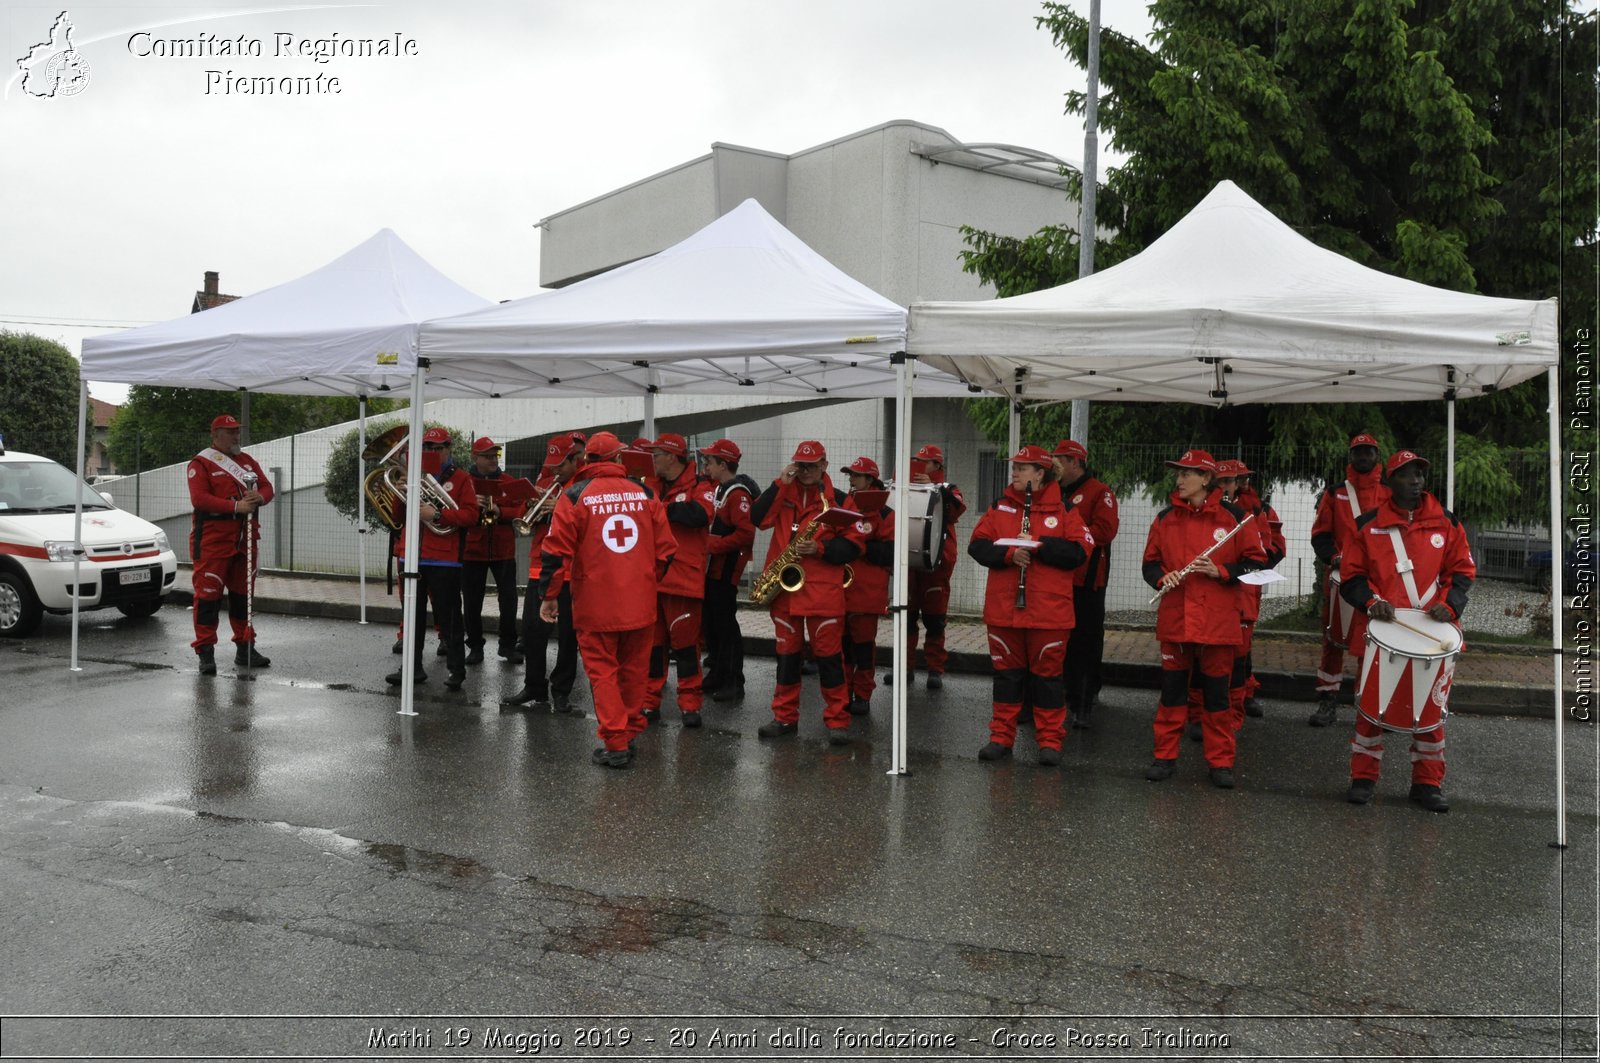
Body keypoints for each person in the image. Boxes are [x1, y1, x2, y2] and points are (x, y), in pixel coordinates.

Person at [1339, 450, 1474, 812]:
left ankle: (1427, 783)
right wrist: (1369, 602)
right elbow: (1350, 578)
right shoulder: (1368, 525)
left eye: (1419, 474)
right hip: (1384, 632)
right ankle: (1363, 778)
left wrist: (1451, 603)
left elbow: (1461, 572)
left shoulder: (1446, 522)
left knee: (1430, 713)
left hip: (1432, 631)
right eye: (1406, 475)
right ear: (1390, 481)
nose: (1415, 481)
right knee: (1370, 710)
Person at [536, 431, 676, 768]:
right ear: (618, 459)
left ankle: (615, 743)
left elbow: (555, 554)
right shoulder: (646, 493)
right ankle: (627, 734)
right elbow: (667, 551)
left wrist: (549, 597)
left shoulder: (574, 496)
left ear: (587, 461)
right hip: (640, 604)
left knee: (603, 674)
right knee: (633, 672)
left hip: (596, 605)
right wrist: (644, 581)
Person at [1141, 449, 1266, 788]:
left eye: (1187, 473)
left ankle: (1221, 762)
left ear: (1206, 478)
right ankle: (1164, 757)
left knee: (1216, 697)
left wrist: (1222, 571)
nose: (1179, 479)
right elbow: (1150, 564)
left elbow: (1257, 563)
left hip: (1217, 621)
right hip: (1176, 620)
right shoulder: (1165, 519)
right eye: (1178, 473)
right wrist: (1160, 578)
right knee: (1172, 695)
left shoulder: (1237, 518)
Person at [968, 445, 1093, 766]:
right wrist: (1009, 555)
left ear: (1040, 473)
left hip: (1048, 612)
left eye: (1022, 467)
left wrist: (1039, 547)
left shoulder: (1064, 510)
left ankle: (1050, 741)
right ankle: (1000, 738)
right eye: (1015, 467)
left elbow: (1080, 552)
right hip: (1004, 610)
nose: (1015, 471)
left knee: (1048, 679)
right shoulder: (1000, 507)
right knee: (1006, 678)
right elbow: (977, 546)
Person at [750, 440, 865, 745]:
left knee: (829, 660)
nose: (806, 471)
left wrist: (820, 548)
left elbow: (855, 545)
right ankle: (784, 718)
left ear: (825, 465)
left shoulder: (840, 501)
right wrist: (779, 483)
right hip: (785, 593)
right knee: (786, 660)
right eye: (801, 465)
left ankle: (838, 720)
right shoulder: (783, 492)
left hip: (823, 594)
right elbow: (757, 519)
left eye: (812, 465)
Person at [385, 427, 477, 691]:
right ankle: (412, 668)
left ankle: (456, 669)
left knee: (449, 618)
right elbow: (398, 517)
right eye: (427, 447)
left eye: (438, 447)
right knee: (411, 616)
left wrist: (437, 515)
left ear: (449, 448)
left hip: (445, 559)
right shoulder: (413, 476)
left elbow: (471, 516)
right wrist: (400, 493)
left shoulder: (461, 479)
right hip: (411, 555)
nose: (433, 452)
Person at [1308, 432, 1389, 726]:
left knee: (1374, 641)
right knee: (1333, 641)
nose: (1364, 456)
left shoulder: (1390, 493)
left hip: (1379, 581)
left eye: (1369, 451)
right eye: (1359, 452)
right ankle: (1327, 701)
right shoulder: (1335, 493)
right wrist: (1335, 559)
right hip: (1342, 579)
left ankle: (1368, 706)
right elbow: (1320, 536)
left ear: (1376, 456)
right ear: (1351, 457)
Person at [503, 431, 585, 712]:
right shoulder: (548, 480)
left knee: (568, 635)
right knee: (532, 630)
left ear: (577, 459)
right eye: (551, 466)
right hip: (541, 563)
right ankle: (534, 687)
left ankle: (561, 692)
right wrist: (531, 504)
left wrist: (559, 506)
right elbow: (528, 514)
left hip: (572, 568)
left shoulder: (585, 485)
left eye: (560, 465)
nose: (554, 471)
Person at [187, 414, 274, 675]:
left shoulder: (247, 461)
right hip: (214, 541)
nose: (237, 436)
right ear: (216, 435)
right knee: (208, 598)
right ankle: (205, 651)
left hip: (246, 539)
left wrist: (260, 497)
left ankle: (245, 646)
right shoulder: (201, 463)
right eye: (230, 432)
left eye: (237, 431)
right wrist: (236, 506)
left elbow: (268, 487)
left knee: (242, 596)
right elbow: (199, 499)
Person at [640, 432, 715, 728]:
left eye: (656, 455)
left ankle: (690, 703)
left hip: (683, 580)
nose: (652, 461)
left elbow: (699, 515)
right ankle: (649, 702)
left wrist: (660, 508)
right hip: (651, 578)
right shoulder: (649, 485)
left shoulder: (701, 485)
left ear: (672, 456)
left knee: (685, 648)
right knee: (653, 647)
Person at [1052, 439, 1119, 729]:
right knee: (1060, 640)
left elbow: (1104, 531)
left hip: (1087, 582)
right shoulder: (1054, 493)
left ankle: (1084, 702)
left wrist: (1070, 536)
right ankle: (1061, 696)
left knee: (1086, 642)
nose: (1054, 468)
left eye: (1059, 461)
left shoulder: (1099, 493)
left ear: (1074, 462)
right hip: (1058, 579)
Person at [1214, 460, 1285, 729]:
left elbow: (1275, 546)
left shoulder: (1259, 509)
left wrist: (1257, 565)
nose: (1236, 484)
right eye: (1227, 480)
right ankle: (1209, 709)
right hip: (1223, 585)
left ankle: (1242, 698)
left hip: (1247, 587)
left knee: (1242, 648)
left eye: (1238, 479)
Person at [893, 443, 966, 690]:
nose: (920, 465)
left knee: (935, 621)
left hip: (938, 564)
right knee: (907, 617)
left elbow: (957, 510)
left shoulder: (948, 488)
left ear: (937, 465)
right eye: (917, 460)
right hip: (912, 564)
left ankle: (935, 670)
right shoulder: (907, 486)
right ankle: (906, 667)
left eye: (925, 461)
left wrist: (934, 488)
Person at [699, 439, 757, 702]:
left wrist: (715, 545)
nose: (705, 466)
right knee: (714, 623)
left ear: (723, 464)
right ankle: (719, 674)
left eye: (710, 462)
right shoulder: (723, 489)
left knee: (726, 626)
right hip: (716, 569)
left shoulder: (737, 494)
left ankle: (734, 680)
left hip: (726, 569)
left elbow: (746, 534)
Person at [462, 437, 525, 666]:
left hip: (503, 549)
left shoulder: (507, 481)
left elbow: (521, 508)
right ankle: (475, 647)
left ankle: (507, 646)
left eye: (494, 455)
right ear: (475, 457)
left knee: (508, 600)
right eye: (487, 456)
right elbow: (454, 509)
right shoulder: (465, 482)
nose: (492, 459)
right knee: (471, 602)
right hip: (472, 549)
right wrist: (472, 505)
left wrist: (501, 511)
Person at [840, 457, 895, 715]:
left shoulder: (885, 514)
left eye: (856, 475)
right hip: (843, 589)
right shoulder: (845, 505)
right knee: (843, 646)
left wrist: (856, 546)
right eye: (850, 475)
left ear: (870, 480)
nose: (851, 479)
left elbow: (891, 553)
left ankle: (862, 694)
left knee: (862, 647)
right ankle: (844, 692)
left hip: (866, 592)